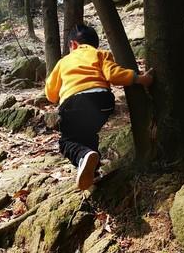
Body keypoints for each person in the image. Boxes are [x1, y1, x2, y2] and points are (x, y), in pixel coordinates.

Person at [45, 24, 153, 190]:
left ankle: (83, 157)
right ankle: (93, 173)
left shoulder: (63, 62)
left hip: (74, 103)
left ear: (73, 45)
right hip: (102, 102)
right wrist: (139, 78)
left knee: (68, 141)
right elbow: (114, 75)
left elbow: (51, 94)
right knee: (88, 135)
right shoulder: (101, 54)